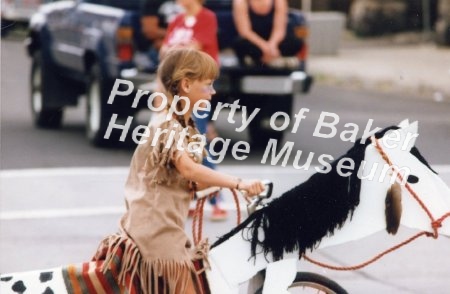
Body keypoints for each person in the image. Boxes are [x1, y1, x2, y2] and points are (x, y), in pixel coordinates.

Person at [95, 48, 265, 294]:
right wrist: (239, 183)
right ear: (186, 84)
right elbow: (188, 168)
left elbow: (185, 178)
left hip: (161, 227)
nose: (213, 91)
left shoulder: (184, 125)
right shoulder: (166, 124)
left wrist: (219, 185)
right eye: (207, 85)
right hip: (156, 233)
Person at [160, 0, 227, 221]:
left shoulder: (206, 17)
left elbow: (197, 47)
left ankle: (216, 200)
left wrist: (174, 52)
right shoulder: (177, 20)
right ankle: (189, 196)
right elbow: (164, 50)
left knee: (197, 143)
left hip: (198, 89)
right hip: (178, 90)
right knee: (182, 143)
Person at [232, 0, 304, 68]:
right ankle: (269, 60)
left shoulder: (279, 1)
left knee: (296, 41)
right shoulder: (240, 2)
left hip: (275, 43)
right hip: (254, 42)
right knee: (240, 43)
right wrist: (265, 48)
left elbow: (279, 30)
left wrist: (272, 46)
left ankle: (269, 59)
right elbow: (245, 31)